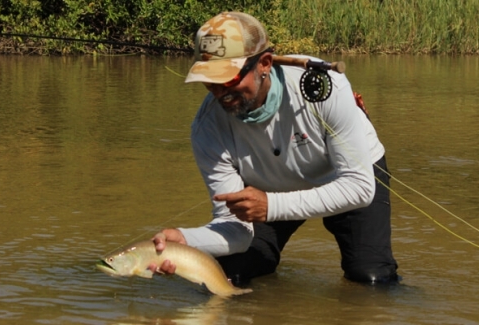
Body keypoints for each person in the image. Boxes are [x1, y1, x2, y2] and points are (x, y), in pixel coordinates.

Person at [150, 11, 399, 285]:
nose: (220, 92)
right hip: (266, 194)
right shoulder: (206, 129)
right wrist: (187, 240)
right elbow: (236, 230)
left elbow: (359, 188)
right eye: (209, 82)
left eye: (229, 79)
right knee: (228, 276)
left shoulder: (327, 88)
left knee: (371, 278)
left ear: (264, 64)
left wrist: (272, 206)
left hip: (345, 178)